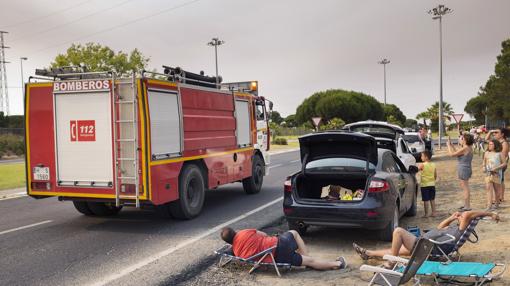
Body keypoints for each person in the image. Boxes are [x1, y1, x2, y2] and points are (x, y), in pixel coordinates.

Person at [352, 211, 500, 266]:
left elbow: (468, 215)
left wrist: (489, 213)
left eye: (462, 215)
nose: (461, 215)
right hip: (427, 244)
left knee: (398, 232)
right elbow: (440, 226)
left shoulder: (459, 230)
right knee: (396, 249)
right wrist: (451, 217)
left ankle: (391, 263)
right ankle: (368, 253)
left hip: (430, 247)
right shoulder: (452, 228)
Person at [220, 227, 347, 270]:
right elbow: (263, 235)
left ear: (229, 242)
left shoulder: (237, 252)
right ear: (234, 231)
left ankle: (337, 264)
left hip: (275, 258)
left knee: (309, 262)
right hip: (279, 244)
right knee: (294, 232)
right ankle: (337, 263)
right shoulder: (244, 232)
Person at [447, 133, 474, 211]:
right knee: (465, 187)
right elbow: (457, 153)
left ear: (465, 140)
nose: (460, 140)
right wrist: (452, 145)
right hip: (466, 168)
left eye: (462, 138)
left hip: (463, 168)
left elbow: (451, 155)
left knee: (465, 188)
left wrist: (448, 145)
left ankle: (467, 206)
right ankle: (466, 205)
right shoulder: (468, 147)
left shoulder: (465, 148)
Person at [486, 128, 509, 202]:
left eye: (497, 132)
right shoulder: (496, 142)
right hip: (494, 165)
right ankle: (499, 197)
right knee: (496, 181)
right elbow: (486, 139)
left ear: (502, 134)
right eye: (494, 133)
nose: (494, 134)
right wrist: (490, 131)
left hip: (500, 165)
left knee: (500, 181)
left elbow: (503, 156)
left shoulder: (504, 143)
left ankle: (500, 197)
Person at [483, 140, 507, 210]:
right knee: (488, 189)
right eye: (489, 144)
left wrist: (496, 168)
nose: (489, 146)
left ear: (495, 145)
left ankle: (496, 204)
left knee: (497, 190)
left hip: (497, 174)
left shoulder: (500, 153)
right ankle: (489, 205)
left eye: (491, 144)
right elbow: (484, 162)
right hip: (488, 173)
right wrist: (483, 167)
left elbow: (504, 163)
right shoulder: (486, 153)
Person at [418, 150, 437, 217]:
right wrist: (433, 180)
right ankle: (434, 213)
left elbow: (416, 170)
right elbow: (435, 175)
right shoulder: (433, 164)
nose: (421, 157)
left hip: (424, 185)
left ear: (426, 157)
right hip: (432, 184)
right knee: (432, 199)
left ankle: (426, 214)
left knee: (426, 200)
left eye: (422, 156)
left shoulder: (422, 165)